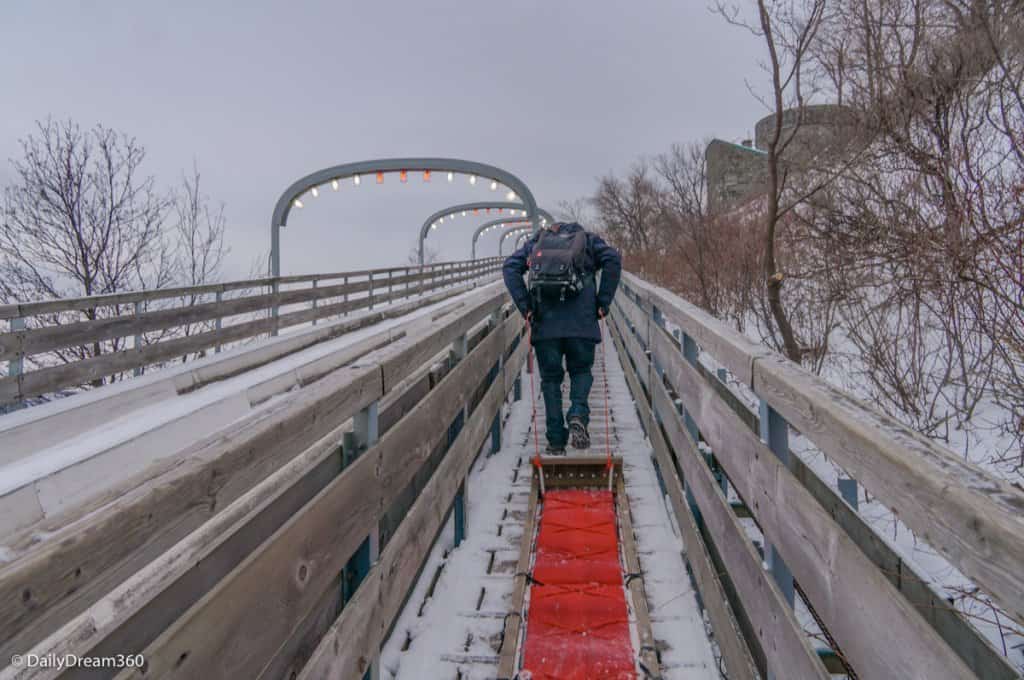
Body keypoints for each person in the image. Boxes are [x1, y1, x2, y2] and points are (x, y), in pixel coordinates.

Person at [502, 221, 622, 455]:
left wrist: (526, 306)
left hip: (546, 325)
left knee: (551, 380)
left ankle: (556, 441)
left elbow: (510, 267)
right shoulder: (587, 241)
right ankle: (577, 412)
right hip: (582, 323)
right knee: (581, 371)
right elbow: (613, 260)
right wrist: (603, 301)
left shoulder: (537, 243)